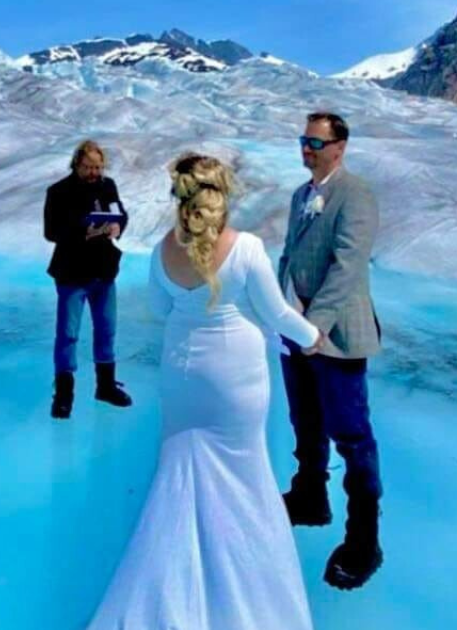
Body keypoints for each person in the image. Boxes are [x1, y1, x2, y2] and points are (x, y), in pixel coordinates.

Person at [87, 154, 322, 630]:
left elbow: (158, 308)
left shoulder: (161, 251)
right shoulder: (247, 248)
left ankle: (168, 603)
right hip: (235, 377)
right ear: (223, 196)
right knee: (246, 482)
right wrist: (315, 339)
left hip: (181, 375)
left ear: (180, 197)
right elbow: (276, 315)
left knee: (179, 481)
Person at [278, 112, 384, 590]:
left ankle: (364, 540)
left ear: (340, 146)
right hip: (298, 332)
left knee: (352, 436)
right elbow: (289, 257)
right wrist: (281, 312)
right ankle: (309, 498)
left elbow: (347, 266)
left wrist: (312, 327)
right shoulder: (301, 196)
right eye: (303, 141)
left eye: (315, 142)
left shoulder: (355, 194)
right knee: (305, 421)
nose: (307, 149)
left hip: (335, 337)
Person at [43, 140, 133, 419]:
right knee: (68, 335)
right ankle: (64, 395)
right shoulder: (58, 191)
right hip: (72, 273)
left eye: (98, 166)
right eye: (88, 167)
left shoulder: (108, 186)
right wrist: (84, 233)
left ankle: (105, 386)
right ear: (76, 165)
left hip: (103, 271)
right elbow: (51, 231)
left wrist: (118, 226)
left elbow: (121, 214)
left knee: (106, 329)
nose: (94, 172)